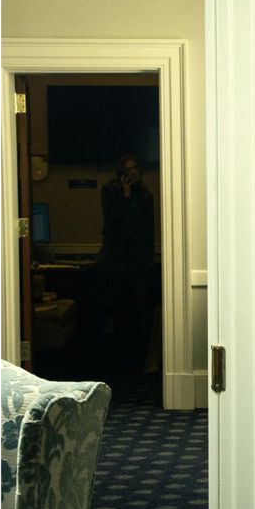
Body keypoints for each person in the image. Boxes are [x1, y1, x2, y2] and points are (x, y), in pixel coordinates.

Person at [97, 154, 155, 372]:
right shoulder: (110, 192)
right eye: (129, 169)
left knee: (140, 306)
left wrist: (149, 258)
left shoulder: (146, 195)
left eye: (136, 168)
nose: (133, 172)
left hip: (139, 260)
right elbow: (111, 223)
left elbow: (147, 228)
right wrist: (125, 195)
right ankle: (118, 358)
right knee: (117, 306)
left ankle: (139, 356)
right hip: (116, 259)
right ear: (121, 173)